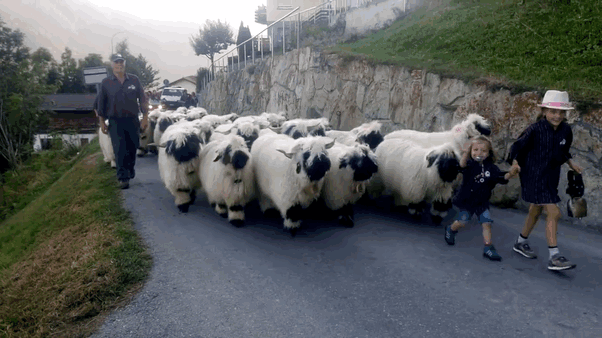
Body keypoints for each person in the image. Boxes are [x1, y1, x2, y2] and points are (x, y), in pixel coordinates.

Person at [507, 90, 583, 271]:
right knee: (554, 212)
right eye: (553, 111)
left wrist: (570, 161)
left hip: (550, 176)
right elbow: (516, 147)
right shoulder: (534, 129)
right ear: (544, 111)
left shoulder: (566, 130)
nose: (557, 116)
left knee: (536, 209)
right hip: (533, 175)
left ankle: (520, 242)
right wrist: (515, 163)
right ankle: (554, 256)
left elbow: (563, 150)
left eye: (561, 112)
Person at [444, 135, 520, 261]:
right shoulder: (469, 164)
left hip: (482, 202)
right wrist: (464, 153)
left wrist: (511, 173)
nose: (479, 153)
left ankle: (488, 247)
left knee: (487, 223)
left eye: (483, 150)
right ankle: (451, 229)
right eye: (475, 150)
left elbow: (501, 177)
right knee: (462, 222)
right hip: (467, 201)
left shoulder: (491, 168)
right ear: (471, 152)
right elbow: (461, 166)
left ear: (489, 153)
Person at [96, 53, 149, 189]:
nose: (119, 65)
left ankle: (130, 168)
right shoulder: (106, 83)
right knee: (119, 149)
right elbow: (101, 104)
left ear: (124, 64)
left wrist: (145, 117)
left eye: (121, 62)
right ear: (112, 65)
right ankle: (122, 177)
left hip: (132, 120)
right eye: (116, 62)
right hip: (115, 121)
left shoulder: (134, 80)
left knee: (133, 146)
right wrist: (102, 122)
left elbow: (142, 99)